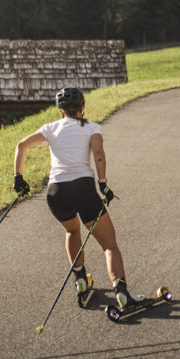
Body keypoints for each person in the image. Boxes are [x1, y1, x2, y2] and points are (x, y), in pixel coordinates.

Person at [13, 87, 145, 309]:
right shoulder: (91, 127)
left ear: (60, 110)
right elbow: (99, 154)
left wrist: (19, 178)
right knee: (109, 245)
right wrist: (103, 184)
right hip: (83, 189)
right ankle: (121, 292)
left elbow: (21, 145)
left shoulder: (51, 128)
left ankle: (81, 280)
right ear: (82, 107)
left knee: (72, 230)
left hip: (56, 192)